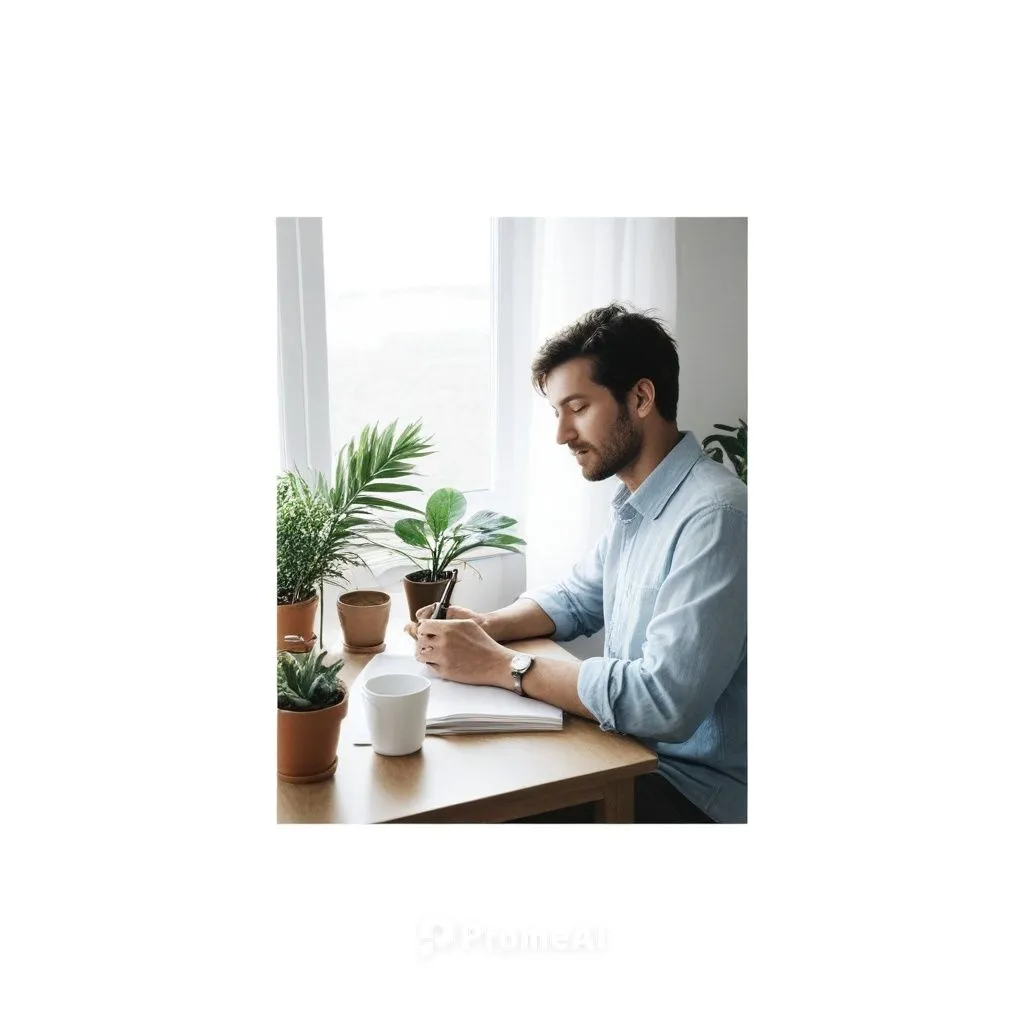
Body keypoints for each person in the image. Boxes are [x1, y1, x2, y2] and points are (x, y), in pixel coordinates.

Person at [406, 303, 747, 823]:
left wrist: (503, 666)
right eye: (557, 413)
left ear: (640, 398)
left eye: (578, 407)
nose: (562, 434)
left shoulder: (716, 517)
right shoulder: (642, 502)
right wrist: (484, 627)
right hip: (629, 758)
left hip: (695, 793)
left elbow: (663, 701)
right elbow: (576, 598)